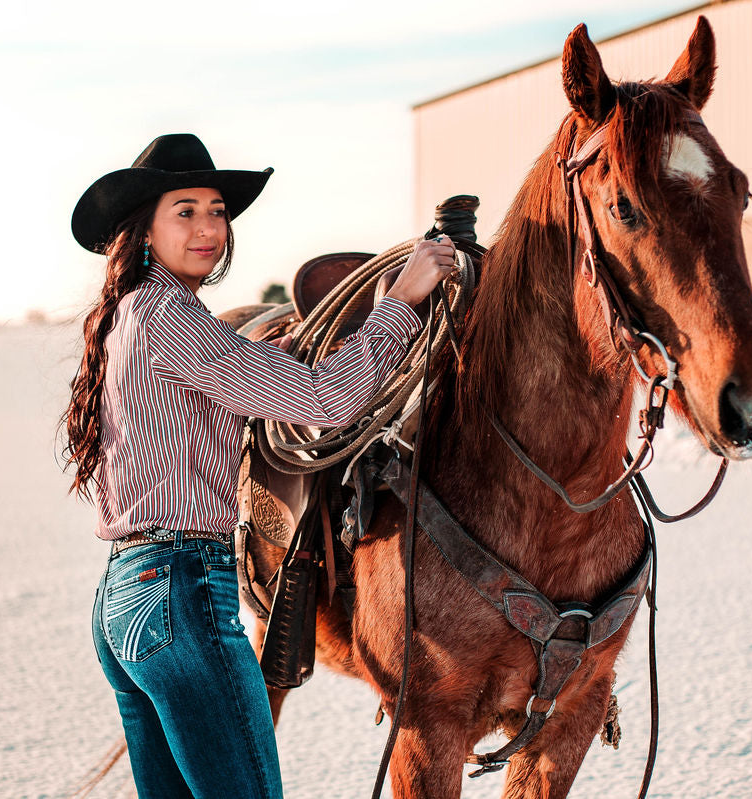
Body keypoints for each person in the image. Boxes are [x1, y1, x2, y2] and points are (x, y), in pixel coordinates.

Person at [62, 133, 455, 799]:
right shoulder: (170, 315)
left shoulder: (131, 312)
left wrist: (276, 358)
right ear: (144, 229)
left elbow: (225, 388)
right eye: (185, 211)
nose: (208, 228)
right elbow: (327, 400)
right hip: (182, 594)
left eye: (217, 211)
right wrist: (401, 303)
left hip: (126, 599)